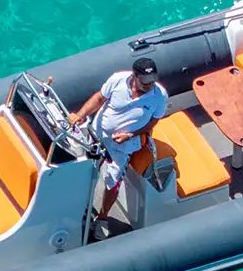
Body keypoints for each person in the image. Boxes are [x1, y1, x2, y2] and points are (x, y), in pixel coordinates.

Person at [68, 56, 168, 224]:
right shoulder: (118, 79)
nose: (149, 85)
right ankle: (80, 207)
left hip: (123, 146)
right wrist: (80, 115)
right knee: (85, 172)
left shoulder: (160, 95)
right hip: (97, 135)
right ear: (134, 76)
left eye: (152, 81)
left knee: (112, 182)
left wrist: (130, 135)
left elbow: (152, 122)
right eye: (144, 82)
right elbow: (99, 98)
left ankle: (102, 218)